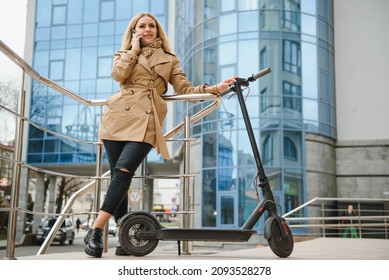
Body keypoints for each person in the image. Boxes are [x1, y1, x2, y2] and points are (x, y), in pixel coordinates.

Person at [84, 12, 237, 258]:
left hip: (147, 119)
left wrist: (214, 89)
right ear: (134, 31)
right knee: (117, 177)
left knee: (124, 170)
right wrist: (133, 49)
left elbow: (185, 89)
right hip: (117, 118)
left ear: (157, 30)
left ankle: (95, 230)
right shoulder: (123, 55)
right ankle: (124, 236)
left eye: (151, 26)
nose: (147, 30)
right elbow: (119, 76)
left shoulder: (168, 59)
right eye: (141, 26)